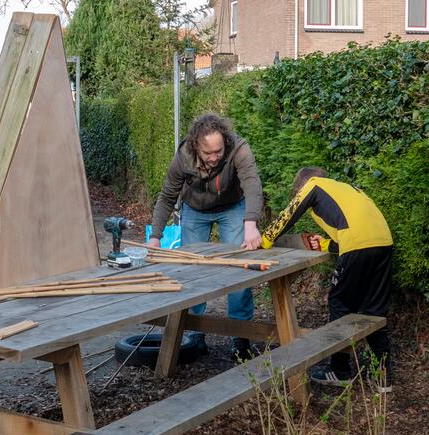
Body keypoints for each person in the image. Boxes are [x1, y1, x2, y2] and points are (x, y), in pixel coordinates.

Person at [260, 167, 394, 392]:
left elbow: (288, 215)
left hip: (357, 245)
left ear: (300, 187)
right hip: (384, 243)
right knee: (375, 310)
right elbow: (354, 232)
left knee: (339, 303)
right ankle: (382, 377)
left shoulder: (313, 185)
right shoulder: (348, 189)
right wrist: (323, 244)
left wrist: (264, 240)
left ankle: (340, 371)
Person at [147, 113, 266, 360]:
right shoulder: (183, 156)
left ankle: (240, 339)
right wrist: (155, 236)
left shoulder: (239, 149)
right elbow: (167, 195)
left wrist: (251, 222)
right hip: (195, 210)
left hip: (233, 207)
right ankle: (195, 337)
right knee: (193, 270)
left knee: (239, 269)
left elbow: (252, 185)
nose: (214, 157)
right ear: (196, 146)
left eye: (218, 151)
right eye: (208, 153)